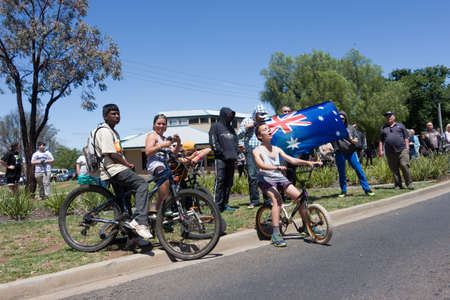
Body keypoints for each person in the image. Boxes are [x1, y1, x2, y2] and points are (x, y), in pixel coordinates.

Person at [253, 123, 322, 247]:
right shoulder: (257, 150)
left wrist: (309, 162)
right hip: (265, 179)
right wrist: (276, 167)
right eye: (265, 130)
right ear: (259, 136)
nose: (269, 131)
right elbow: (259, 165)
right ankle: (276, 234)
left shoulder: (277, 149)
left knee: (300, 198)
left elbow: (292, 160)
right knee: (277, 200)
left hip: (279, 178)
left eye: (269, 129)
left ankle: (307, 227)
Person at [95, 104, 152, 239]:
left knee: (125, 199)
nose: (117, 116)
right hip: (112, 169)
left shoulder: (113, 132)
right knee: (141, 184)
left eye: (118, 114)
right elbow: (112, 154)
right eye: (113, 114)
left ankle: (129, 235)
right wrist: (127, 164)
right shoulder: (105, 131)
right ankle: (140, 222)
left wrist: (127, 165)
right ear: (105, 116)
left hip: (116, 168)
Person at [332, 112, 375, 197]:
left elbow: (357, 140)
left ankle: (367, 189)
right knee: (341, 173)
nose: (341, 120)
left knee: (359, 170)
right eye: (339, 118)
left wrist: (351, 139)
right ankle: (343, 191)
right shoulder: (334, 128)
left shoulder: (351, 128)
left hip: (351, 152)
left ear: (345, 119)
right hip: (339, 153)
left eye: (343, 118)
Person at [237, 104, 271, 209]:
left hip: (263, 150)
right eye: (260, 115)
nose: (262, 118)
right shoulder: (247, 121)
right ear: (255, 114)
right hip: (250, 151)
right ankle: (255, 201)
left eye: (263, 115)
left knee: (265, 174)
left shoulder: (266, 123)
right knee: (252, 176)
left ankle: (268, 200)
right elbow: (238, 135)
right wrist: (247, 128)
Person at [145, 114, 181, 211]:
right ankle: (159, 212)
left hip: (165, 166)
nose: (161, 126)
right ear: (154, 125)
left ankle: (161, 212)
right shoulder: (152, 135)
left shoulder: (165, 138)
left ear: (166, 126)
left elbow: (175, 152)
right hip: (155, 164)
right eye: (159, 123)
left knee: (171, 186)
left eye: (163, 124)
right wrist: (162, 145)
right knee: (165, 181)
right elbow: (148, 151)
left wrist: (178, 142)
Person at [209, 107, 239, 212]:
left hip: (231, 159)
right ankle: (216, 207)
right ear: (223, 115)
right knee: (220, 181)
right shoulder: (215, 126)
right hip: (220, 159)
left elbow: (236, 141)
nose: (230, 118)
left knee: (229, 182)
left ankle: (225, 205)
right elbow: (213, 142)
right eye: (229, 115)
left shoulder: (231, 128)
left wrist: (235, 154)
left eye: (231, 116)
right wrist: (221, 152)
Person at [379, 111, 413, 190]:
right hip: (389, 151)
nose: (388, 117)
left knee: (404, 165)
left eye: (390, 116)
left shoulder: (400, 126)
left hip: (402, 150)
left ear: (394, 117)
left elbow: (406, 137)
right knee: (394, 169)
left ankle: (409, 184)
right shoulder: (383, 128)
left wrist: (407, 148)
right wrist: (381, 150)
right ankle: (398, 185)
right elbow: (381, 141)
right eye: (387, 116)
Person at [279, 106, 297, 187]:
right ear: (281, 112)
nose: (287, 113)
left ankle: (293, 194)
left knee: (292, 173)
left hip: (292, 152)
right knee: (282, 173)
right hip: (281, 153)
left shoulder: (294, 124)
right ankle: (282, 194)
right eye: (285, 111)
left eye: (288, 111)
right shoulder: (277, 124)